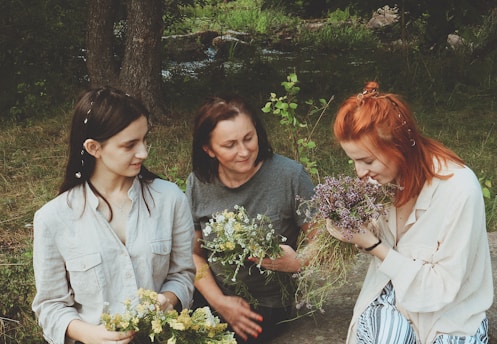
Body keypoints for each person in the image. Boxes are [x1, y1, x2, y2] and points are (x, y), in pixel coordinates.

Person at [328, 81, 493, 343]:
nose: (359, 173)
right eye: (353, 161)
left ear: (400, 147)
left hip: (452, 313)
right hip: (393, 299)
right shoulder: (381, 181)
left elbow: (441, 290)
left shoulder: (459, 190)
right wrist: (349, 224)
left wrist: (372, 245)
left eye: (367, 161)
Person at [32, 87, 196, 344]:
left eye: (144, 139)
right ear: (93, 147)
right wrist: (91, 334)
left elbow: (182, 275)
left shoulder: (171, 199)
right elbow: (50, 305)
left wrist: (168, 299)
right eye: (130, 145)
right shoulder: (53, 219)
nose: (143, 152)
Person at [185, 94, 315, 343]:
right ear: (208, 149)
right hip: (211, 293)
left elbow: (321, 242)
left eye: (248, 138)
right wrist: (219, 302)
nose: (244, 151)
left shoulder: (290, 176)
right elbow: (194, 253)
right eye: (229, 145)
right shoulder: (198, 182)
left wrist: (298, 261)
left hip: (264, 305)